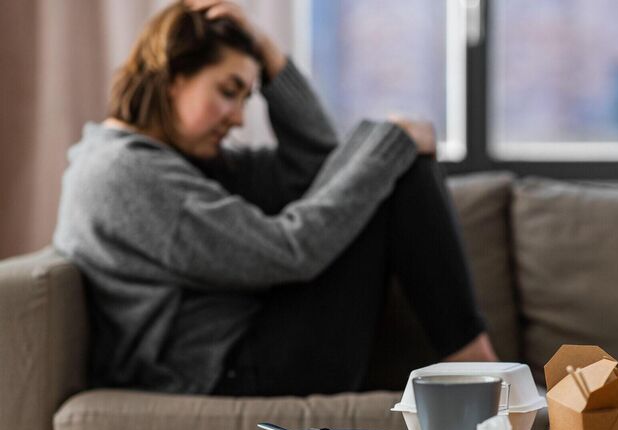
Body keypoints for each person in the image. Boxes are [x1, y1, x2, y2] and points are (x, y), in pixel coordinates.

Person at [53, 0, 497, 397]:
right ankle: (472, 362)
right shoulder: (127, 175)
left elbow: (319, 165)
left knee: (384, 162)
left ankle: (470, 362)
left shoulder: (163, 161)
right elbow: (290, 251)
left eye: (245, 98)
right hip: (227, 373)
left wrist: (269, 54)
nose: (238, 118)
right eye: (228, 91)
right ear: (173, 76)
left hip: (246, 354)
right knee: (392, 159)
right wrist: (393, 140)